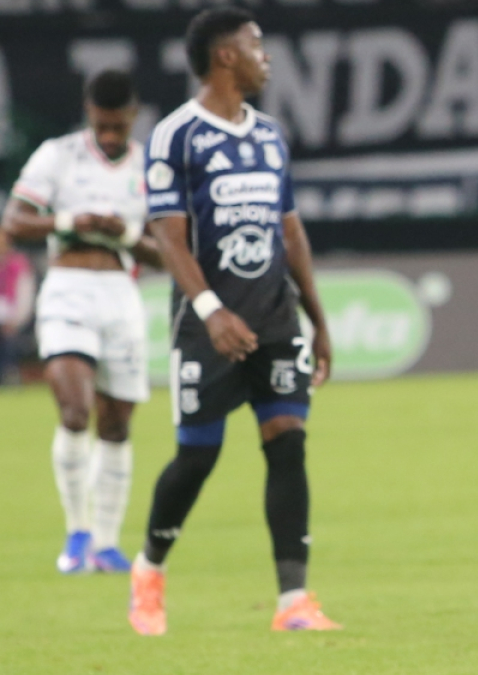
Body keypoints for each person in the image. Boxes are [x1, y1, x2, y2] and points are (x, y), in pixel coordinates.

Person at [128, 7, 339, 635]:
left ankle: (293, 602)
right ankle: (150, 567)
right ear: (225, 57)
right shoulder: (176, 135)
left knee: (288, 441)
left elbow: (290, 229)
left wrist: (317, 318)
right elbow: (168, 238)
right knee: (197, 457)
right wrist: (211, 310)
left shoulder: (270, 134)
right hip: (206, 325)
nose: (264, 56)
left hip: (274, 317)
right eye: (255, 45)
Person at [2, 70, 160, 574]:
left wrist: (125, 234)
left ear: (132, 117)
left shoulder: (151, 168)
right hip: (68, 288)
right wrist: (73, 222)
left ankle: (108, 544)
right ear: (89, 115)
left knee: (115, 423)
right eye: (101, 127)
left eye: (118, 127)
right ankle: (76, 534)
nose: (110, 137)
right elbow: (15, 221)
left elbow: (165, 251)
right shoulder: (59, 154)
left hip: (121, 294)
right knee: (74, 411)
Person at [0, 232, 36, 384]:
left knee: (9, 339)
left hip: (11, 315)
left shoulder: (19, 263)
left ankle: (10, 373)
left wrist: (16, 321)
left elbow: (25, 295)